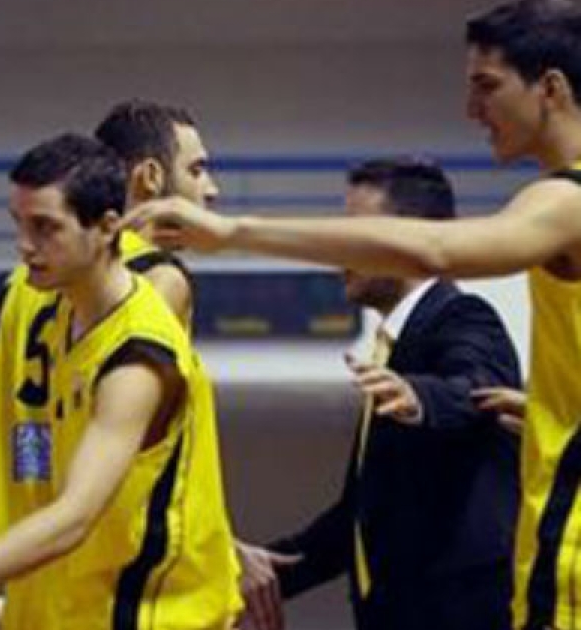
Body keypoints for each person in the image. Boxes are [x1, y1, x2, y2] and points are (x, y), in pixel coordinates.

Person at [122, 2, 581, 627]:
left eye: (486, 85)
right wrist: (554, 414)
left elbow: (439, 251)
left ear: (551, 87)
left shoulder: (561, 202)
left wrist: (232, 233)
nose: (472, 109)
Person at [0, 134, 241, 629]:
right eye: (19, 223)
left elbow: (75, 515)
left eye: (45, 227)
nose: (24, 245)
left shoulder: (139, 354)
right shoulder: (38, 302)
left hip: (147, 614)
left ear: (108, 227)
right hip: (58, 606)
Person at [236, 158, 522, 630]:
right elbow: (362, 517)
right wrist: (267, 572)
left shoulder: (464, 317)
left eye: (358, 232)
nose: (340, 251)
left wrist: (421, 397)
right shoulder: (392, 349)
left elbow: (477, 388)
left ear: (410, 237)